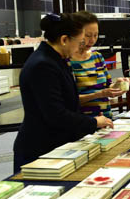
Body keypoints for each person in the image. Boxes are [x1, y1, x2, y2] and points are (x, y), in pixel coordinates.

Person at [13, 13, 113, 173]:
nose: (80, 46)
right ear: (64, 40)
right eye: (80, 41)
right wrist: (94, 122)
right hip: (41, 147)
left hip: (56, 142)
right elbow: (55, 114)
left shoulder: (55, 59)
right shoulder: (43, 65)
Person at [70, 11, 126, 118]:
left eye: (96, 35)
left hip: (105, 119)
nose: (92, 40)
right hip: (83, 122)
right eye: (87, 36)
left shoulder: (97, 57)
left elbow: (107, 86)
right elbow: (69, 99)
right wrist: (99, 94)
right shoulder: (68, 61)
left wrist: (118, 84)